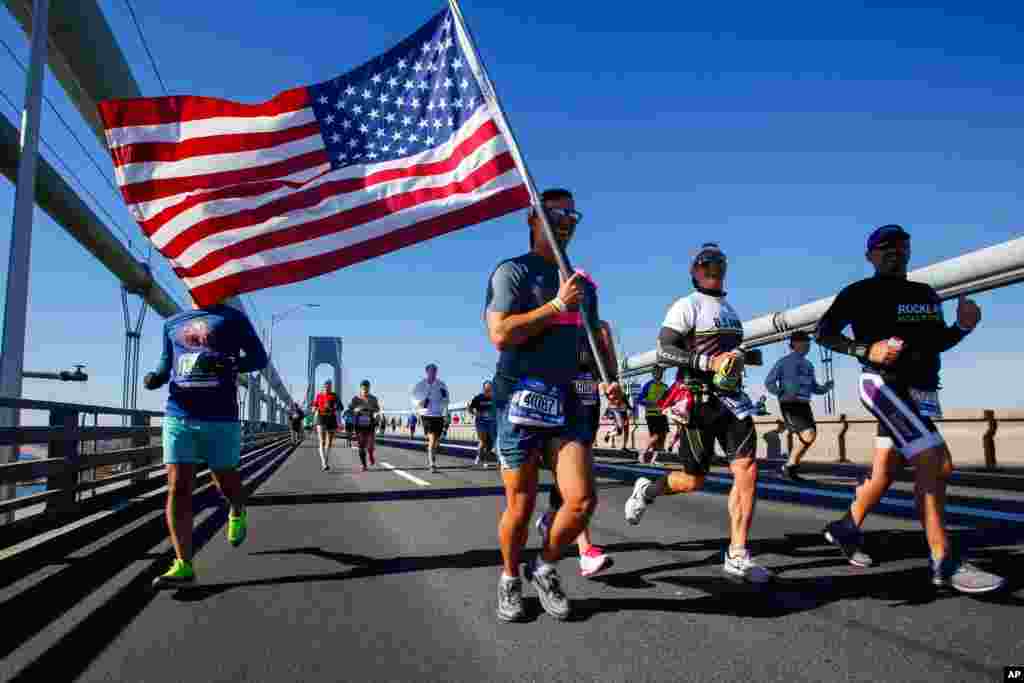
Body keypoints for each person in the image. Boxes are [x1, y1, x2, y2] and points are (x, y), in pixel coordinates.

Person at [815, 224, 1004, 593]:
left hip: (920, 392)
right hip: (883, 385)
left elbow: (936, 342)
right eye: (884, 247)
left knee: (885, 472)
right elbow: (824, 332)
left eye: (900, 246)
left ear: (909, 252)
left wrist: (961, 329)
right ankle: (943, 560)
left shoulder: (925, 294)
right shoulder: (859, 293)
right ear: (870, 256)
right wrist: (864, 349)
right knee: (935, 461)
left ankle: (844, 527)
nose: (893, 251)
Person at [485, 187, 624, 622]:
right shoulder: (513, 273)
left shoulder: (585, 285)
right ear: (533, 218)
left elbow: (594, 339)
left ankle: (543, 566)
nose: (565, 219)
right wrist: (555, 305)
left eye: (571, 214)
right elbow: (501, 333)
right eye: (554, 212)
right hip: (521, 400)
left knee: (581, 502)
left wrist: (609, 381)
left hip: (571, 401)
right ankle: (509, 578)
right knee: (521, 506)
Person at [624, 242, 773, 583]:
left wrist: (743, 358)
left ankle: (737, 555)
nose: (712, 267)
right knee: (693, 479)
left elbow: (728, 354)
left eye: (718, 262)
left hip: (732, 401)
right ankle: (647, 490)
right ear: (693, 271)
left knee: (747, 469)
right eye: (705, 263)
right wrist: (710, 362)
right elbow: (665, 349)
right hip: (697, 403)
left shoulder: (731, 311)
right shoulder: (686, 305)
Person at [145, 296, 267, 588]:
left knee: (224, 480)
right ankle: (183, 565)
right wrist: (156, 377)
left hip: (220, 417)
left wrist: (228, 362)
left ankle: (237, 508)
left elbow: (259, 358)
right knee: (178, 486)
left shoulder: (233, 318)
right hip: (179, 413)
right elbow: (166, 362)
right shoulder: (172, 323)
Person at [536, 309, 618, 578]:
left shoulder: (600, 327)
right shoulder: (552, 321)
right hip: (558, 397)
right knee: (579, 479)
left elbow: (610, 372)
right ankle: (585, 551)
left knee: (576, 470)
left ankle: (551, 514)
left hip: (587, 395)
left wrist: (611, 388)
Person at [764, 330, 833, 481]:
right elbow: (769, 381)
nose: (808, 344)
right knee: (808, 434)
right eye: (805, 341)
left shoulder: (809, 365)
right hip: (790, 403)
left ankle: (789, 467)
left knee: (810, 435)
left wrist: (826, 387)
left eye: (808, 342)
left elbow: (814, 387)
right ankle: (789, 466)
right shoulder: (783, 362)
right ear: (794, 344)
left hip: (804, 404)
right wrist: (780, 392)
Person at [411, 363, 449, 472]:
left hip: (438, 414)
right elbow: (413, 398)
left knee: (436, 441)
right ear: (427, 372)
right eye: (431, 371)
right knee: (432, 439)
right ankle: (432, 464)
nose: (433, 373)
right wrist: (420, 403)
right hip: (427, 414)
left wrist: (444, 403)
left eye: (435, 371)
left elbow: (446, 398)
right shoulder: (420, 385)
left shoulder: (441, 385)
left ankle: (431, 453)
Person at [637, 366, 670, 464]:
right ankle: (643, 452)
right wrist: (651, 403)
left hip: (662, 414)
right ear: (653, 373)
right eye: (656, 372)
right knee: (655, 436)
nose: (658, 374)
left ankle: (655, 459)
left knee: (662, 437)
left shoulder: (665, 386)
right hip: (651, 415)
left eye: (660, 372)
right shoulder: (648, 385)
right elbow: (639, 400)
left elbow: (669, 400)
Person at [349, 380, 382, 471]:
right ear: (360, 388)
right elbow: (350, 409)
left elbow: (377, 409)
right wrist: (356, 410)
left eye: (367, 388)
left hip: (370, 424)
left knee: (370, 445)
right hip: (359, 425)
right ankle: (364, 465)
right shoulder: (355, 399)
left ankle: (371, 454)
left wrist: (375, 413)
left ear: (369, 388)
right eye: (363, 388)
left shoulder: (373, 398)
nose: (365, 390)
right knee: (361, 445)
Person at [311, 380, 340, 471]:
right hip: (321, 418)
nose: (328, 388)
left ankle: (326, 461)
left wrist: (335, 407)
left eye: (329, 386)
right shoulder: (319, 395)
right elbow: (314, 406)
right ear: (323, 387)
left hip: (331, 419)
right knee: (322, 441)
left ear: (331, 387)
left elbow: (340, 407)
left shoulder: (334, 396)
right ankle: (324, 463)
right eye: (326, 386)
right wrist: (314, 408)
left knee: (329, 443)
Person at [469, 381, 497, 467]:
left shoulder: (495, 398)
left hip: (492, 422)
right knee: (483, 442)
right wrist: (474, 413)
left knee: (492, 442)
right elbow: (470, 408)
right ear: (483, 389)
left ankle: (487, 459)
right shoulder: (479, 398)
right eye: (486, 389)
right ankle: (479, 456)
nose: (488, 390)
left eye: (490, 389)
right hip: (481, 422)